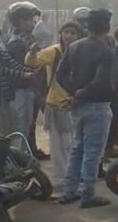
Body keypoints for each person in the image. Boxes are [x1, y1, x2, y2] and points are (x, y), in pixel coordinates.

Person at [55, 9, 116, 209]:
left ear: (88, 26)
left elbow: (60, 75)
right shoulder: (105, 51)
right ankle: (87, 194)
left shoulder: (74, 47)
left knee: (77, 149)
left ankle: (69, 191)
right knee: (92, 152)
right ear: (107, 27)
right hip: (97, 105)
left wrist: (75, 92)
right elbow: (100, 82)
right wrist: (81, 93)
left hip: (78, 107)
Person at [26, 22, 85, 191]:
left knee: (74, 142)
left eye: (73, 33)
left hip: (77, 101)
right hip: (57, 102)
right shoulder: (54, 51)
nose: (69, 36)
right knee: (59, 143)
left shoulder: (81, 51)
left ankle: (74, 175)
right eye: (66, 32)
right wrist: (32, 52)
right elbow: (33, 62)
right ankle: (62, 177)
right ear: (61, 34)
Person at [5, 2, 43, 157]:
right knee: (22, 125)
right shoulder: (17, 43)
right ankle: (21, 158)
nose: (33, 23)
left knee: (29, 123)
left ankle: (29, 152)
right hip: (22, 89)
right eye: (29, 19)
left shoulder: (27, 39)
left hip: (29, 88)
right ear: (20, 21)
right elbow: (20, 69)